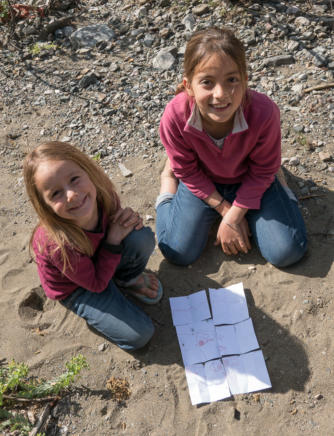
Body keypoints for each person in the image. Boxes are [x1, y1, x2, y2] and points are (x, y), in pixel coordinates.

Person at [156, 27, 307, 268]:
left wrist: (234, 217)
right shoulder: (175, 116)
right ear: (189, 86)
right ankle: (167, 179)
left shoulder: (264, 112)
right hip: (203, 177)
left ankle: (281, 181)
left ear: (245, 80)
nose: (221, 94)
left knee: (287, 252)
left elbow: (260, 172)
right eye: (207, 82)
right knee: (177, 253)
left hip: (251, 175)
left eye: (232, 80)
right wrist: (227, 212)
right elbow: (189, 172)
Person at [24, 141, 163, 351]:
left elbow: (124, 229)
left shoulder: (103, 195)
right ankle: (107, 299)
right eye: (55, 194)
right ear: (45, 206)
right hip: (78, 288)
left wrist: (128, 221)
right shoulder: (56, 244)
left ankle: (125, 279)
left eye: (74, 179)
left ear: (88, 171)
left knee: (140, 237)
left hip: (102, 257)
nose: (71, 195)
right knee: (140, 335)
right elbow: (96, 284)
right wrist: (114, 240)